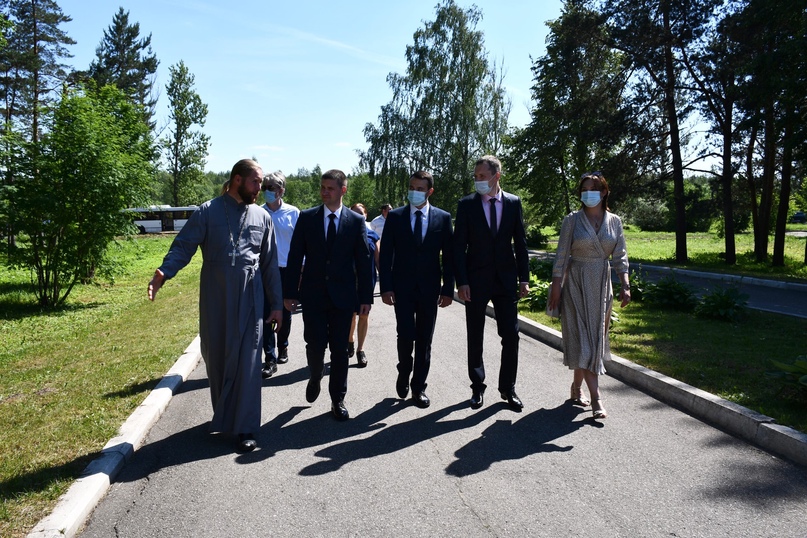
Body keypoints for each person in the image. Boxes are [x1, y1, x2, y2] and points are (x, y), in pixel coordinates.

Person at [147, 158, 283, 453]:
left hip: (251, 296)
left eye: (261, 183)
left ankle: (246, 427)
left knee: (248, 361)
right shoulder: (207, 212)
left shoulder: (262, 217)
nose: (261, 188)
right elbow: (183, 246)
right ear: (237, 180)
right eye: (255, 182)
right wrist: (163, 272)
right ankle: (227, 414)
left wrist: (276, 304)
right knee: (218, 357)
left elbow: (271, 264)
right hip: (216, 295)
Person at [284, 169, 373, 421]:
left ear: (343, 190)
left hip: (343, 297)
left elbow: (364, 261)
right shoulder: (307, 217)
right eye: (322, 187)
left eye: (330, 188)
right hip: (312, 295)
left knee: (340, 349)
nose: (324, 192)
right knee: (314, 345)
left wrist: (365, 297)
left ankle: (338, 398)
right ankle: (315, 375)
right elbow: (294, 257)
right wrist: (290, 292)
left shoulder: (355, 221)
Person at [547, 171, 630, 420]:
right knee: (584, 340)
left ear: (603, 192)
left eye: (592, 189)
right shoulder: (572, 220)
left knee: (594, 339)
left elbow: (620, 255)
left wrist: (625, 284)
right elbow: (561, 254)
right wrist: (556, 286)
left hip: (602, 285)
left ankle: (576, 387)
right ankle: (596, 398)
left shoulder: (614, 221)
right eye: (583, 190)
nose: (587, 194)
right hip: (576, 283)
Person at [454, 155, 530, 411]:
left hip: (505, 281)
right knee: (475, 335)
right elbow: (458, 248)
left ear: (496, 176)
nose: (478, 181)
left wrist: (524, 278)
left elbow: (520, 243)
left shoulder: (512, 202)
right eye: (475, 177)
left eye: (482, 176)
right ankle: (477, 388)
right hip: (474, 282)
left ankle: (508, 389)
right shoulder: (466, 205)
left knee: (511, 334)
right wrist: (461, 281)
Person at [379, 170, 454, 408]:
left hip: (430, 288)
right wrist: (386, 287)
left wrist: (447, 289)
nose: (415, 192)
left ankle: (418, 387)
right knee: (405, 335)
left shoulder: (443, 218)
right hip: (402, 287)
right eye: (412, 187)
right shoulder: (396, 217)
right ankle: (404, 370)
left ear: (430, 191)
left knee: (424, 339)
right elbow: (386, 255)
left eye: (420, 189)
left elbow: (450, 257)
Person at [259, 171, 300, 378]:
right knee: (266, 313)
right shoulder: (257, 212)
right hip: (265, 270)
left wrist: (301, 268)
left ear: (281, 190)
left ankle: (283, 344)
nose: (267, 191)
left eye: (271, 187)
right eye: (265, 187)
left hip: (286, 269)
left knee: (285, 310)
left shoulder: (293, 213)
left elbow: (300, 244)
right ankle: (270, 358)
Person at [347, 203, 379, 368]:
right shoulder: (344, 234)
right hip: (348, 281)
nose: (358, 216)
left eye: (360, 213)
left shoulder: (373, 235)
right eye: (354, 213)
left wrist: (388, 285)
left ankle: (361, 350)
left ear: (365, 215)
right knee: (351, 314)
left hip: (366, 282)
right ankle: (350, 340)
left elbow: (379, 261)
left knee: (364, 314)